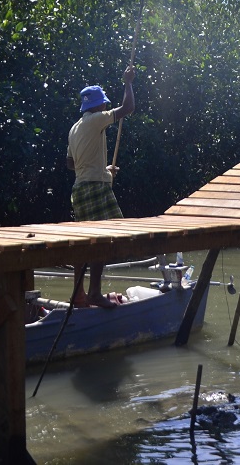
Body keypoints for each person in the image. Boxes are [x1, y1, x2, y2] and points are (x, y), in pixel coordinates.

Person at [66, 65, 136, 308]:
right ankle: (94, 293)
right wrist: (128, 82)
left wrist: (102, 170)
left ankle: (78, 295)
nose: (106, 107)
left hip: (80, 190)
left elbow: (71, 163)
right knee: (105, 240)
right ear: (96, 106)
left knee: (86, 243)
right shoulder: (96, 119)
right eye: (103, 104)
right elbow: (128, 109)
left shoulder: (75, 127)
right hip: (95, 188)